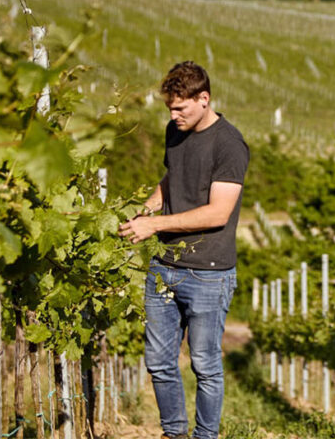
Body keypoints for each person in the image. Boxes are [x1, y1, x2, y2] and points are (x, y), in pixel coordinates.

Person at [119, 61, 249, 439]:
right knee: (159, 361)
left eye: (180, 108)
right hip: (165, 266)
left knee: (205, 365)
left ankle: (205, 436)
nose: (173, 116)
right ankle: (174, 433)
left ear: (204, 98)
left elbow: (218, 212)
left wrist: (155, 225)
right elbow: (171, 177)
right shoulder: (174, 131)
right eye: (169, 108)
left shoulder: (229, 144)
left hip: (208, 273)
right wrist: (146, 209)